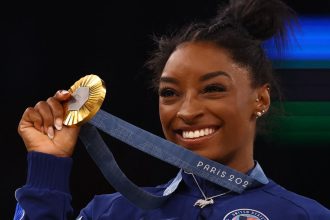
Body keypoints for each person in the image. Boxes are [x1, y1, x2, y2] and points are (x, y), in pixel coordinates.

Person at [14, 0, 330, 219]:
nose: (187, 111)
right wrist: (48, 165)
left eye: (213, 89)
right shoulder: (112, 213)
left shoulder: (306, 216)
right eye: (170, 93)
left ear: (260, 99)